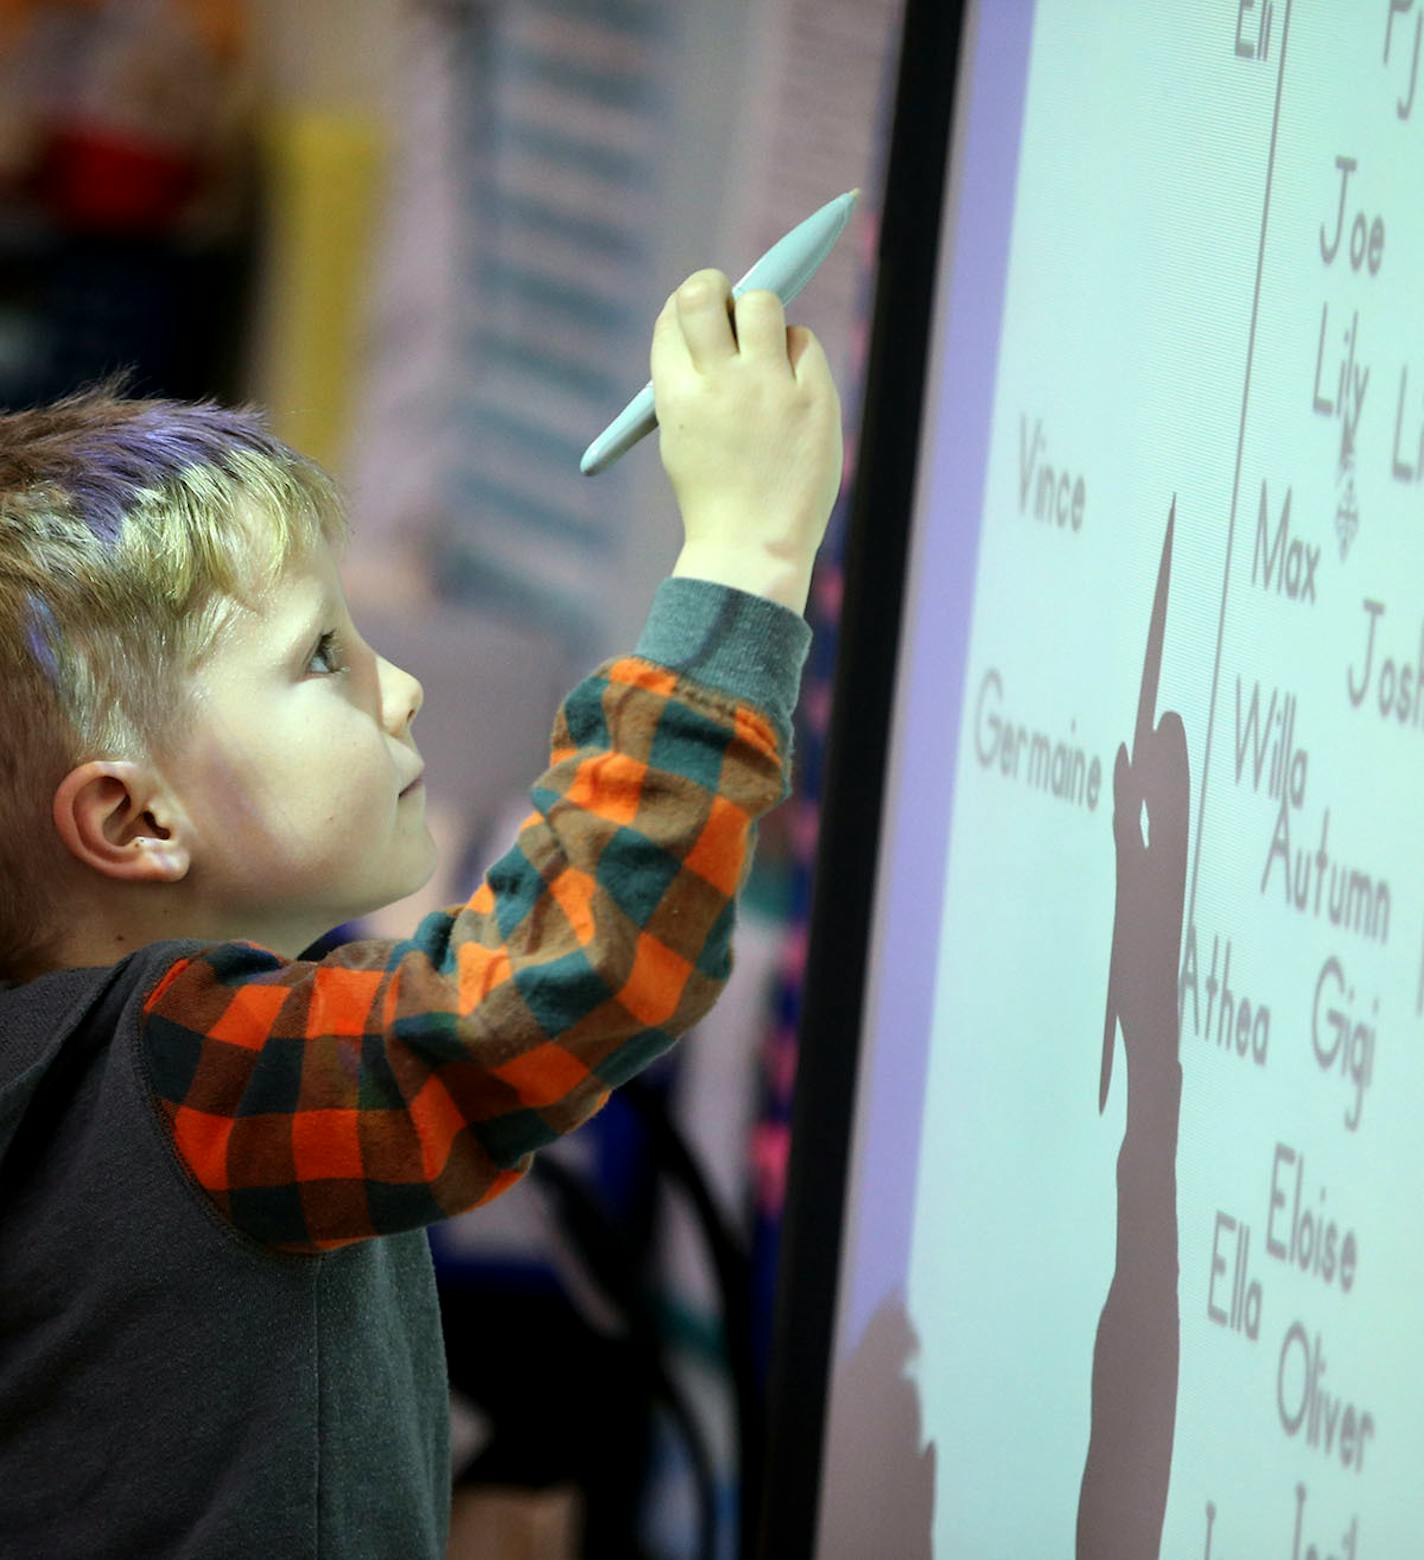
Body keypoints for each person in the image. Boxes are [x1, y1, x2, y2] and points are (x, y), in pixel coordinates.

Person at [0, 269, 843, 1558]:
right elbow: (557, 982)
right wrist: (750, 557)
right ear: (133, 822)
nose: (401, 692)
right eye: (323, 658)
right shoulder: (181, 1076)